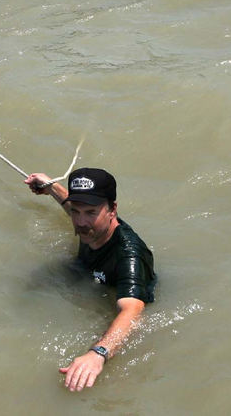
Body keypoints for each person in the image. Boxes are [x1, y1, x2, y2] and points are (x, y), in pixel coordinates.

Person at [23, 167, 156, 392]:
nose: (81, 222)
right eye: (77, 211)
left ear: (112, 210)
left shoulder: (129, 254)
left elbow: (132, 310)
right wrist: (50, 186)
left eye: (91, 212)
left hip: (110, 287)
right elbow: (69, 203)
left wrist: (98, 354)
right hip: (86, 270)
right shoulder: (88, 222)